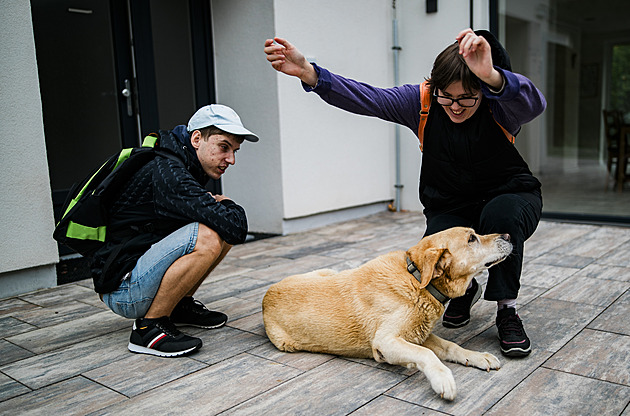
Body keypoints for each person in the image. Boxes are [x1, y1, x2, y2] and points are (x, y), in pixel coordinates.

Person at [264, 29, 546, 357]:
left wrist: (492, 76)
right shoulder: (422, 102)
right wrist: (310, 74)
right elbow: (368, 98)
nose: (454, 107)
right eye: (446, 96)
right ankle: (462, 291)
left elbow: (533, 103)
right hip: (452, 203)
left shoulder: (501, 106)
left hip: (510, 194)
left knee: (502, 216)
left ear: (482, 92)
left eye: (466, 98)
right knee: (437, 246)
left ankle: (506, 310)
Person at [94, 104, 259, 357]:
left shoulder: (183, 162)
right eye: (223, 147)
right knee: (207, 236)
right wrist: (226, 203)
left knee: (217, 232)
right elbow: (237, 228)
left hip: (138, 273)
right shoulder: (170, 172)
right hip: (124, 292)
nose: (231, 160)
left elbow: (230, 231)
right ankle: (148, 328)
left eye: (235, 151)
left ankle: (177, 305)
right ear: (196, 139)